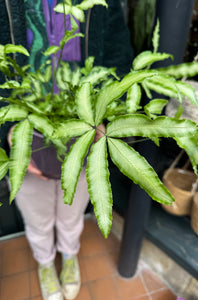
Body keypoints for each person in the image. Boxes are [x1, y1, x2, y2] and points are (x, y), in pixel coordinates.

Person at [2, 0, 133, 300]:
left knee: (73, 211)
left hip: (83, 128)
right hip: (24, 129)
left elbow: (117, 53)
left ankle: (69, 255)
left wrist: (105, 117)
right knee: (36, 215)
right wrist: (7, 133)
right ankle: (45, 263)